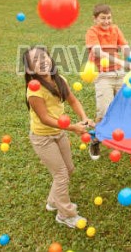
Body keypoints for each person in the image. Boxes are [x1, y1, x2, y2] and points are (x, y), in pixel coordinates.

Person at [23, 46, 94, 228]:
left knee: (68, 169)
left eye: (44, 57)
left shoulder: (59, 80)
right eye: (35, 61)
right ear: (30, 69)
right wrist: (73, 128)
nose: (42, 61)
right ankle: (66, 214)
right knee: (61, 174)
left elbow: (73, 101)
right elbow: (45, 119)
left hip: (59, 133)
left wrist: (84, 119)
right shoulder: (34, 91)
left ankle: (53, 202)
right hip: (42, 138)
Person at [85, 4, 131, 160]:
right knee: (104, 111)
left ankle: (121, 140)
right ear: (95, 19)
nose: (106, 21)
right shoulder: (92, 32)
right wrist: (121, 62)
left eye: (108, 18)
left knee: (124, 108)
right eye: (102, 18)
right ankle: (95, 140)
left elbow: (124, 46)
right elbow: (98, 52)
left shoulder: (115, 29)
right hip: (102, 75)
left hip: (119, 74)